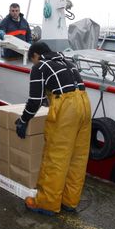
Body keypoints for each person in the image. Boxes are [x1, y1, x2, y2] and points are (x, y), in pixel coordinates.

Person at [17, 42, 92, 216]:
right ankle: (69, 201)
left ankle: (47, 203)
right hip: (85, 104)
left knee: (56, 157)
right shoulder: (68, 62)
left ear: (35, 55)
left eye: (32, 60)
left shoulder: (40, 66)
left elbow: (34, 100)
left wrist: (23, 120)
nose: (33, 64)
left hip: (67, 108)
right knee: (77, 157)